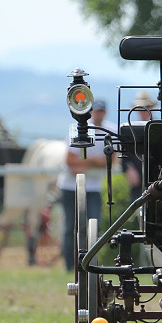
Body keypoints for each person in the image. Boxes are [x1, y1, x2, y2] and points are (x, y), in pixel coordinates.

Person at [57, 99, 117, 271]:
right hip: (70, 186)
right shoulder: (76, 129)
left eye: (101, 111)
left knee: (93, 225)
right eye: (96, 111)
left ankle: (89, 263)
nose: (98, 114)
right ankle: (69, 265)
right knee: (70, 227)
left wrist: (84, 163)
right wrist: (95, 161)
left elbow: (109, 161)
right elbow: (69, 161)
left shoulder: (110, 130)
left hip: (93, 187)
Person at [121, 91, 156, 200]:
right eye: (141, 107)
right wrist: (129, 169)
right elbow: (125, 154)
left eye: (146, 107)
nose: (144, 110)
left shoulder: (159, 126)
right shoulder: (130, 129)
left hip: (156, 175)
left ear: (151, 107)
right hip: (137, 178)